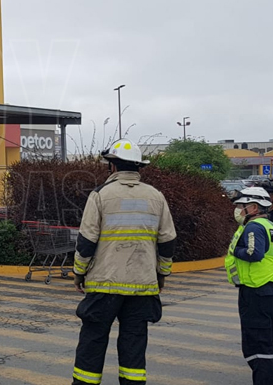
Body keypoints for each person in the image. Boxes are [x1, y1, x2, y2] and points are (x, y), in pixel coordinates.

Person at [71, 139, 176, 385]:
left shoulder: (100, 195)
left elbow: (87, 240)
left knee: (93, 341)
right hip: (142, 286)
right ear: (138, 167)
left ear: (113, 166)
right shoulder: (156, 197)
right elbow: (167, 240)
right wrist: (161, 274)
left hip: (104, 285)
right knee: (134, 343)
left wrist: (79, 272)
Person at [225, 186, 273, 385]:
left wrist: (236, 250)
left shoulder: (254, 227)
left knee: (258, 346)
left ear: (254, 208)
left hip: (256, 292)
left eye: (242, 206)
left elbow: (254, 254)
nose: (239, 210)